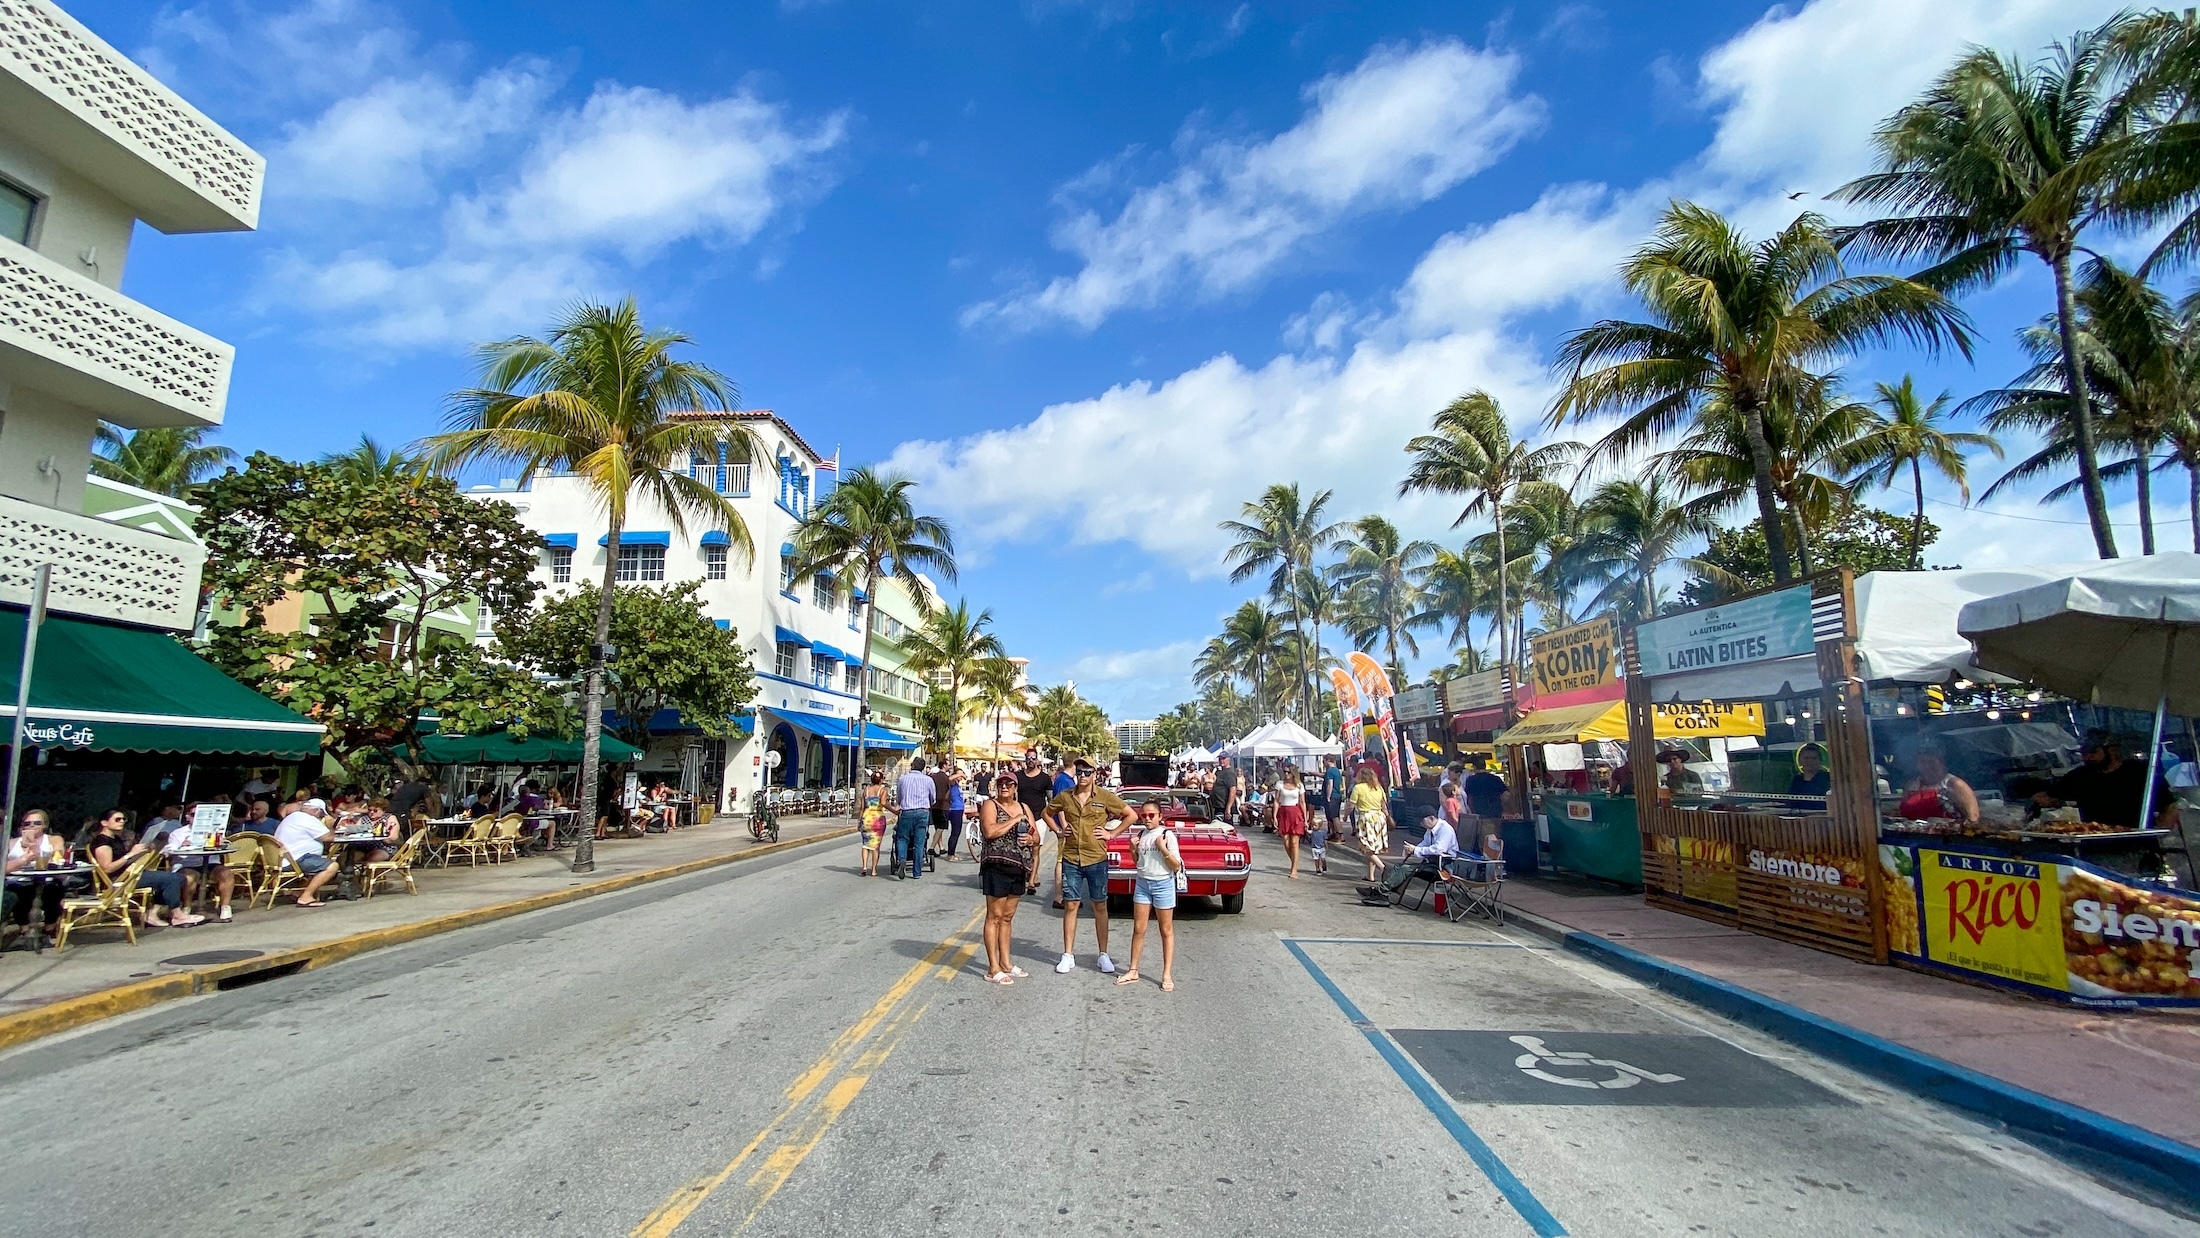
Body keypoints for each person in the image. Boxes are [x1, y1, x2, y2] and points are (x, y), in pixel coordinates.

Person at [1047, 759, 1135, 975]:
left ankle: (1103, 954)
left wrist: (1112, 834)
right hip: (1071, 859)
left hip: (1096, 858)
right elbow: (1046, 813)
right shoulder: (1066, 795)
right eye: (1079, 772)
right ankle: (1068, 955)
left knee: (1100, 906)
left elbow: (1131, 815)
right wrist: (1059, 831)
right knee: (1071, 905)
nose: (1083, 776)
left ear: (1095, 774)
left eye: (1087, 772)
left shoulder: (1104, 797)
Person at [2034, 733, 2179, 830]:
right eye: (2084, 754)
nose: (2087, 758)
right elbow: (2049, 798)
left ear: (2113, 751)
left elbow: (2170, 808)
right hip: (2095, 841)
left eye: (2093, 753)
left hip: (2137, 842)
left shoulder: (2140, 772)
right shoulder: (2081, 776)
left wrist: (2158, 833)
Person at [81, 809, 195, 928]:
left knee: (178, 878)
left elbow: (125, 860)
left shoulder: (115, 839)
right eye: (117, 819)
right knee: (173, 878)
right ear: (104, 823)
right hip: (119, 880)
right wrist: (130, 854)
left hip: (128, 874)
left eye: (123, 819)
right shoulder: (102, 842)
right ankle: (176, 915)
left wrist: (142, 851)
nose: (122, 822)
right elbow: (107, 868)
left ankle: (153, 912)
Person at [1116, 801, 1183, 991]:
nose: (1147, 819)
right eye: (1144, 815)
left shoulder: (1166, 835)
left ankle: (1166, 974)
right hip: (1143, 883)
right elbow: (1139, 863)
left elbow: (1176, 865)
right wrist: (1132, 850)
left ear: (1160, 816)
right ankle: (1133, 969)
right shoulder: (1141, 834)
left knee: (1166, 930)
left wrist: (1162, 847)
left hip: (1163, 883)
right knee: (1139, 928)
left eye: (1151, 815)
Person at [977, 772, 1036, 984]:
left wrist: (1030, 837)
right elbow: (990, 831)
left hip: (1018, 867)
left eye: (1009, 784)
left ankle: (1006, 963)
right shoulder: (990, 805)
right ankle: (993, 968)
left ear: (1015, 787)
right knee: (994, 916)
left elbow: (1036, 835)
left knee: (1008, 917)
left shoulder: (1024, 808)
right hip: (996, 866)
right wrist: (1013, 821)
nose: (1004, 787)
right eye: (1001, 784)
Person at [5, 810, 71, 943]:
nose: (31, 826)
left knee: (53, 891)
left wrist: (41, 852)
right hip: (19, 879)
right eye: (27, 823)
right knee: (18, 893)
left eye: (36, 823)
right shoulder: (12, 842)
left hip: (47, 878)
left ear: (44, 825)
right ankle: (25, 930)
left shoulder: (53, 839)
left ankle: (49, 929)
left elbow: (58, 855)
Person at [1363, 811, 1459, 899]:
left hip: (1443, 867)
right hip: (1432, 863)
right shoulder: (1430, 830)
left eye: (1422, 822)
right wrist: (1412, 849)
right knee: (1397, 866)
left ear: (1431, 818)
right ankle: (1383, 892)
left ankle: (1380, 892)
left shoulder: (1445, 830)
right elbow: (1424, 843)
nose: (1421, 825)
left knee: (1405, 869)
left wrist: (1416, 850)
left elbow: (1438, 849)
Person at [274, 798, 342, 907]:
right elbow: (327, 837)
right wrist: (341, 832)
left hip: (283, 859)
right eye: (321, 814)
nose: (320, 817)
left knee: (317, 862)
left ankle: (298, 893)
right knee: (332, 866)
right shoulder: (308, 819)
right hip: (295, 860)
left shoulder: (291, 817)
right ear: (317, 811)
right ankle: (306, 896)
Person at [1899, 746, 1980, 825]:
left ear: (1942, 764)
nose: (1927, 766)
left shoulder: (1955, 784)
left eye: (1931, 762)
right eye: (1922, 762)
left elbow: (1973, 817)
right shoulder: (1911, 786)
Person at [1015, 753, 1055, 897]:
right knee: (1021, 847)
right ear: (1025, 759)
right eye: (1028, 758)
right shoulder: (1018, 776)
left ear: (1037, 760)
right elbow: (1013, 796)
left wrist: (1051, 819)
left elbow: (1051, 799)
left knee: (1035, 849)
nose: (1030, 761)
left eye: (1033, 758)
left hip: (1039, 818)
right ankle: (1026, 873)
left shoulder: (1045, 778)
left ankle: (1031, 880)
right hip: (1021, 818)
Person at [892, 757, 937, 880]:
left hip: (907, 811)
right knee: (919, 842)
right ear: (923, 767)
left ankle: (902, 859)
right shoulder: (928, 780)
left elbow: (899, 797)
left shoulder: (903, 779)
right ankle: (917, 872)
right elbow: (933, 798)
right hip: (922, 812)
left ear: (912, 766)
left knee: (902, 838)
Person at [1349, 767, 1390, 882]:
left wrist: (1345, 815)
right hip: (1379, 818)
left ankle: (1383, 868)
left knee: (1365, 847)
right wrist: (1388, 817)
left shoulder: (1358, 788)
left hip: (1366, 818)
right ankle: (1370, 876)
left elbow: (1351, 805)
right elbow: (1383, 805)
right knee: (1373, 848)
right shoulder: (1378, 788)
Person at [1273, 766, 1308, 879]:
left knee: (1294, 842)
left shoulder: (1299, 785)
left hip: (1295, 812)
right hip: (1284, 813)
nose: (1286, 774)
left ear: (1293, 773)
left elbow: (1302, 802)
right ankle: (1294, 860)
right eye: (1285, 772)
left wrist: (1305, 819)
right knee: (1286, 841)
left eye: (1288, 772)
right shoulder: (1279, 784)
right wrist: (1274, 816)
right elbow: (1277, 801)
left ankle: (1294, 869)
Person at [858, 769, 888, 877]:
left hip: (866, 819)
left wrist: (859, 821)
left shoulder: (866, 790)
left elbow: (862, 808)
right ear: (881, 780)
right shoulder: (883, 790)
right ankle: (874, 869)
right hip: (878, 820)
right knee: (876, 846)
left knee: (865, 845)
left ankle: (864, 866)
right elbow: (884, 804)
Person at [1786, 743, 1832, 809]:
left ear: (1820, 761)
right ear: (1800, 761)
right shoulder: (1796, 780)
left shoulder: (1827, 778)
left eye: (1813, 758)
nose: (1809, 761)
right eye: (1806, 758)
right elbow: (1790, 802)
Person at [927, 759, 953, 859]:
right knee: (941, 827)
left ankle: (941, 847)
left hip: (933, 804)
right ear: (944, 766)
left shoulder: (933, 776)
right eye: (948, 765)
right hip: (943, 805)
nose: (949, 767)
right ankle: (932, 847)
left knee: (938, 826)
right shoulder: (946, 778)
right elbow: (948, 792)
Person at [943, 766, 968, 861]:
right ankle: (950, 855)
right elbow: (949, 779)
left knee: (956, 833)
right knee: (955, 833)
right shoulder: (952, 782)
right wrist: (959, 774)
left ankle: (952, 852)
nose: (961, 776)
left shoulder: (957, 784)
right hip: (955, 810)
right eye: (959, 774)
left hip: (959, 809)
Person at [1211, 755, 1243, 825]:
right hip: (1218, 805)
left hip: (1224, 806)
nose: (1221, 761)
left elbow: (1233, 790)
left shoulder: (1229, 773)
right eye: (1220, 759)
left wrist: (1228, 808)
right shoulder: (1220, 772)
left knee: (1226, 829)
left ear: (1228, 760)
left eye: (1223, 759)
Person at [1321, 755, 1345, 842]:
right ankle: (1334, 833)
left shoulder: (1330, 771)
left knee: (1334, 816)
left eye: (1324, 760)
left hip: (1332, 796)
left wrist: (1328, 796)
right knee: (1331, 816)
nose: (1323, 763)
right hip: (1337, 795)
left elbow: (1330, 784)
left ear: (1328, 760)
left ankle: (1340, 834)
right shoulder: (1336, 770)